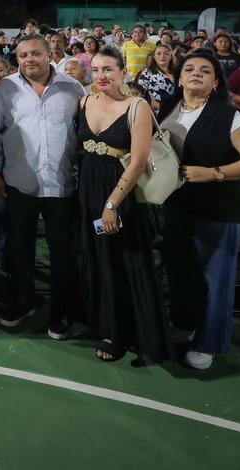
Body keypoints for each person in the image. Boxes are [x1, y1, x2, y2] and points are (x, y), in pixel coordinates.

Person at [160, 52, 240, 370]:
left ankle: (208, 342)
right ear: (179, 78)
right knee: (180, 272)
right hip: (177, 204)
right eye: (189, 69)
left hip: (217, 208)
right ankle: (183, 323)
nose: (196, 74)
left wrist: (214, 173)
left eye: (205, 71)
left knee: (214, 279)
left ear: (216, 82)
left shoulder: (227, 115)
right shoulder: (170, 108)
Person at [0, 34, 84, 338]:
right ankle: (22, 301)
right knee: (20, 249)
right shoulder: (6, 89)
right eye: (24, 55)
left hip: (62, 185)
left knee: (62, 254)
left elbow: (84, 134)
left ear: (49, 54)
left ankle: (61, 312)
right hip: (20, 183)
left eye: (36, 54)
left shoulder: (73, 87)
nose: (30, 59)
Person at [76, 46, 169, 365]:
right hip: (88, 189)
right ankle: (103, 324)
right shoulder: (84, 101)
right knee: (97, 257)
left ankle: (122, 332)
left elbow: (139, 161)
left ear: (123, 73)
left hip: (121, 194)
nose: (101, 76)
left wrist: (112, 204)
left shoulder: (137, 106)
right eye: (97, 70)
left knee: (124, 261)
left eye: (108, 70)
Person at [135, 44, 177, 114]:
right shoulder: (147, 72)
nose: (162, 56)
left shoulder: (177, 73)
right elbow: (140, 93)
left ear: (171, 56)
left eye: (166, 54)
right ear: (154, 56)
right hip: (153, 111)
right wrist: (160, 106)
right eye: (158, 53)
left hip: (175, 111)